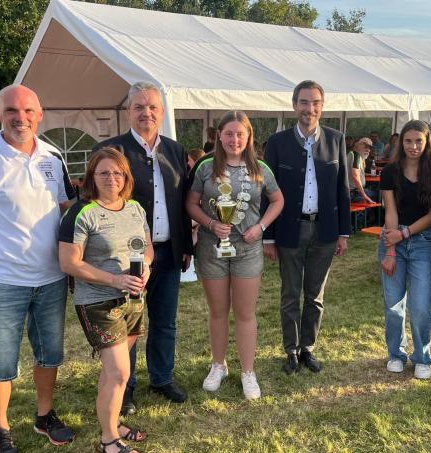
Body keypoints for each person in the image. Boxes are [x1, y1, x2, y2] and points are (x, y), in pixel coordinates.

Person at [0, 84, 77, 452]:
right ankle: (1, 430)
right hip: (1, 282)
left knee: (50, 354)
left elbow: (66, 213)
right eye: (11, 111)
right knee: (1, 361)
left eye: (28, 111)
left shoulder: (54, 156)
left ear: (40, 115)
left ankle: (44, 416)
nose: (20, 118)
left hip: (51, 279)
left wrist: (73, 267)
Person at [93, 81, 193, 412]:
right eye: (139, 107)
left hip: (169, 250)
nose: (146, 112)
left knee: (165, 320)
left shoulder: (175, 150)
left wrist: (186, 245)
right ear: (128, 112)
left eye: (152, 107)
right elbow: (97, 202)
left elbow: (181, 202)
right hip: (128, 257)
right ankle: (126, 385)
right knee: (128, 323)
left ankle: (162, 378)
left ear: (161, 113)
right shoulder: (112, 150)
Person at [59, 148, 152, 453]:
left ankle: (112, 424)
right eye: (103, 173)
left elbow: (147, 248)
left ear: (126, 176)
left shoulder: (135, 208)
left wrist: (147, 267)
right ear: (92, 177)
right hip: (99, 303)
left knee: (113, 372)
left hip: (134, 299)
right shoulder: (81, 212)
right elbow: (69, 263)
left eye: (117, 173)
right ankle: (109, 441)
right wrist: (114, 280)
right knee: (120, 372)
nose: (111, 178)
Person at [186, 111, 284, 399]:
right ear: (219, 136)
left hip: (247, 249)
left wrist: (262, 226)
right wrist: (211, 223)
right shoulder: (205, 166)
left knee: (245, 313)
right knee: (217, 311)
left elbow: (278, 200)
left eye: (240, 134)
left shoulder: (261, 168)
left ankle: (247, 371)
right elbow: (191, 203)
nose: (234, 139)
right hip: (211, 248)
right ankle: (219, 365)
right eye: (229, 133)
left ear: (249, 136)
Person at [262, 80, 350, 375]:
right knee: (290, 294)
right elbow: (267, 192)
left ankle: (308, 348)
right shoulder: (277, 143)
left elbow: (343, 189)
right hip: (289, 230)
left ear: (322, 107)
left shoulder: (336, 139)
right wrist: (268, 237)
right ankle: (290, 350)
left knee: (315, 295)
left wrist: (343, 232)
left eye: (314, 103)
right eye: (303, 102)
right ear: (294, 105)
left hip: (324, 231)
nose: (309, 109)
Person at [378, 120, 431, 379]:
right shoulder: (390, 172)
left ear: (427, 142)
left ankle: (422, 357)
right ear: (400, 143)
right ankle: (396, 354)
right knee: (393, 305)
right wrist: (392, 249)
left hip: (422, 241)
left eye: (419, 141)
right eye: (408, 141)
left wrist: (404, 234)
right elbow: (391, 211)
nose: (414, 146)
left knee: (420, 306)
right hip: (392, 239)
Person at [349, 137, 377, 204]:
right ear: (359, 145)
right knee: (379, 194)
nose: (368, 150)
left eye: (370, 148)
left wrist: (369, 175)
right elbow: (355, 175)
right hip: (353, 193)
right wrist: (364, 195)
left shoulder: (356, 155)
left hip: (352, 192)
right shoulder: (356, 156)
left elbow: (356, 173)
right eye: (366, 147)